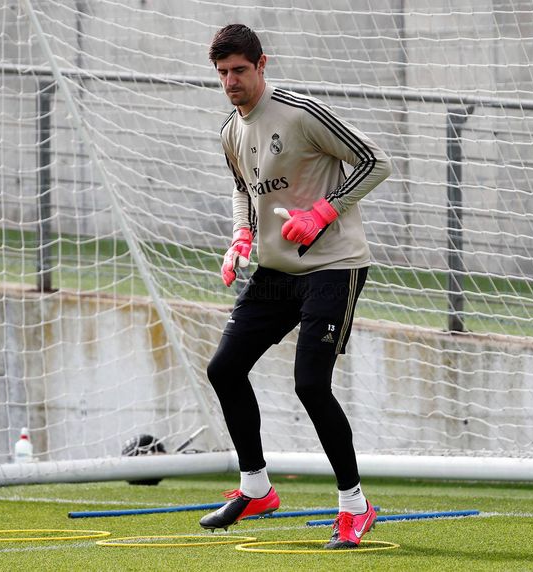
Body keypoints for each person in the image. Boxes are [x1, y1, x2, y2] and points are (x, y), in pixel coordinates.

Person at [201, 24, 392, 549]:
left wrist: (323, 212)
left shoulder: (301, 113)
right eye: (222, 73)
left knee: (310, 383)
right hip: (277, 271)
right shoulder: (229, 131)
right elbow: (242, 188)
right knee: (224, 368)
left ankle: (355, 506)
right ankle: (256, 488)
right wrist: (241, 236)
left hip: (335, 264)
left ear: (263, 65)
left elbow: (377, 161)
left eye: (239, 70)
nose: (230, 82)